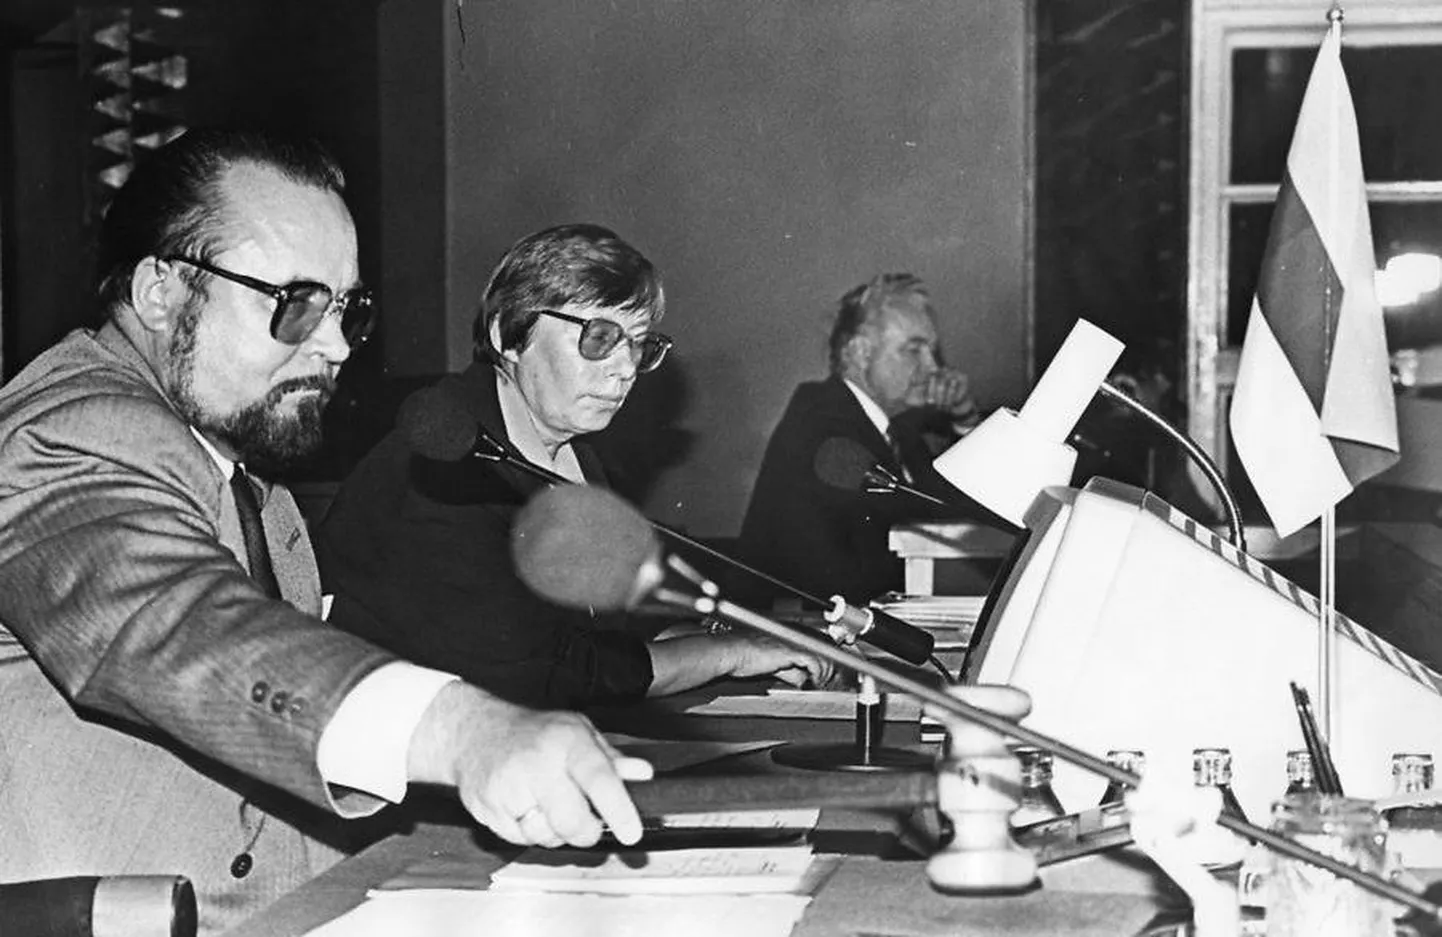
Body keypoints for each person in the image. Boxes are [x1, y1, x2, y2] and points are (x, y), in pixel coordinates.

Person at [0, 130, 651, 935]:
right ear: (161, 291)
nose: (337, 344)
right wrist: (462, 729)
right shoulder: (67, 432)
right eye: (296, 303)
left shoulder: (244, 469)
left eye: (347, 308)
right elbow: (173, 623)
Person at [316, 224, 833, 711]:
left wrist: (753, 639)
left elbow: (611, 637)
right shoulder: (443, 462)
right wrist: (729, 655)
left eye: (639, 344)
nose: (627, 368)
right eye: (600, 338)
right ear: (507, 335)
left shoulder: (570, 452)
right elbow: (538, 674)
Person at [738, 272, 1000, 605]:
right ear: (861, 353)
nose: (932, 366)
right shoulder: (822, 421)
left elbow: (955, 509)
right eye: (914, 350)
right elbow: (918, 523)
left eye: (931, 351)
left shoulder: (898, 430)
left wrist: (964, 417)